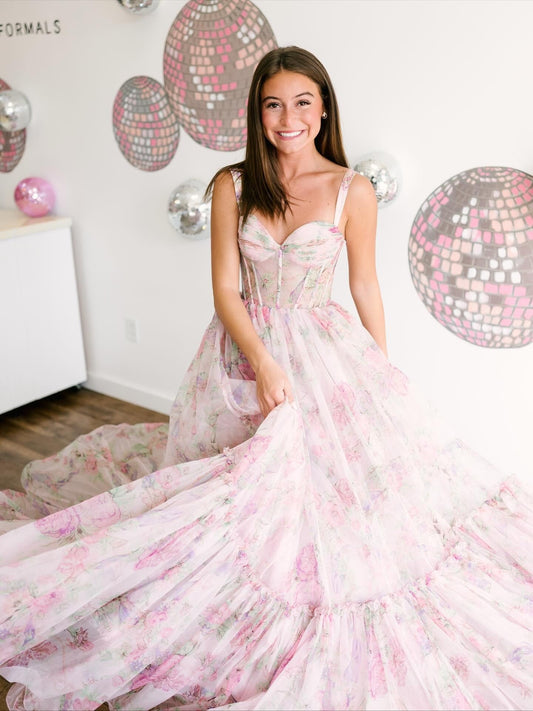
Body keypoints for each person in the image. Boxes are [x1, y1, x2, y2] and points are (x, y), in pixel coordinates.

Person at [0, 46, 532, 711]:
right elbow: (226, 289)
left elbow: (365, 285)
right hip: (240, 350)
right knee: (236, 492)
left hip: (324, 347)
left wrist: (381, 371)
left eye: (302, 102)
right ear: (257, 112)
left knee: (330, 489)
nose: (288, 118)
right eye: (273, 104)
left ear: (323, 109)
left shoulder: (351, 190)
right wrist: (262, 360)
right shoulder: (232, 184)